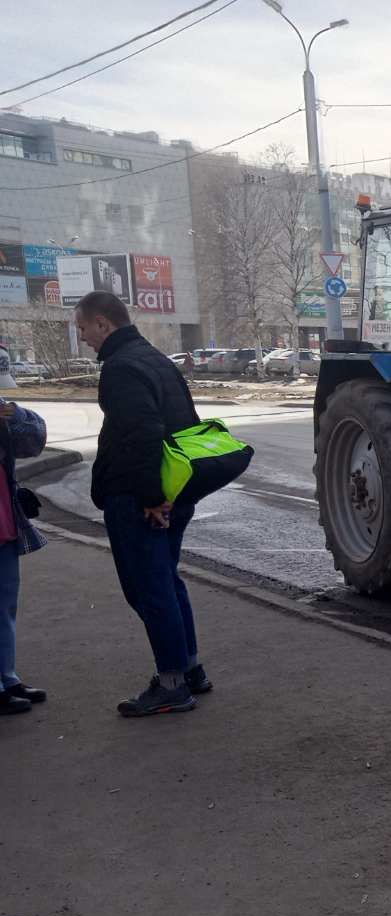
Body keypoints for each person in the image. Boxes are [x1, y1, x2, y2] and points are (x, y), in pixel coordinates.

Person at [73, 290, 211, 718]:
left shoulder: (121, 367)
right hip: (172, 489)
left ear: (103, 323)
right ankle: (189, 670)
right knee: (166, 583)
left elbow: (142, 435)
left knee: (149, 590)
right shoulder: (153, 358)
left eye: (83, 329)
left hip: (140, 499)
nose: (83, 339)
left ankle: (171, 684)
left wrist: (152, 499)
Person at [0, 396, 48, 715]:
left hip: (4, 520)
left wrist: (15, 414)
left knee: (5, 604)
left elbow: (34, 441)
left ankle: (7, 678)